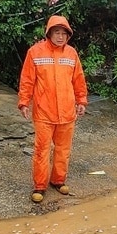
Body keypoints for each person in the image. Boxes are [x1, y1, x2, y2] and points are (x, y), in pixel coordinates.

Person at [17, 15, 88, 204]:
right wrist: (24, 101)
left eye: (64, 33)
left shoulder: (72, 54)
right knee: (42, 149)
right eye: (57, 32)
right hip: (43, 112)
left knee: (63, 150)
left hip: (66, 112)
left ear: (68, 35)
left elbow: (78, 79)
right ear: (49, 33)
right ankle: (39, 186)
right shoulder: (35, 52)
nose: (60, 37)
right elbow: (27, 80)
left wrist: (81, 100)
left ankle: (58, 180)